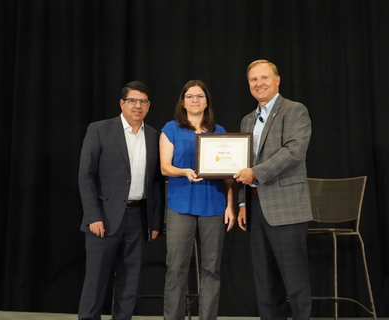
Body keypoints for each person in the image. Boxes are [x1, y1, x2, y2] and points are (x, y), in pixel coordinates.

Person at [77, 81, 164, 320]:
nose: (138, 106)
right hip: (103, 217)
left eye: (143, 101)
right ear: (122, 103)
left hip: (138, 218)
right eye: (133, 100)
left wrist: (155, 222)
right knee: (95, 281)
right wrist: (93, 216)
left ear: (148, 106)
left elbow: (156, 183)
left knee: (130, 282)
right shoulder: (99, 129)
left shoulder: (155, 136)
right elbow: (86, 176)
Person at [234, 60, 313, 320]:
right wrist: (243, 204)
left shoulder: (294, 110)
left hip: (286, 206)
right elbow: (243, 163)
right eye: (254, 80)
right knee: (265, 281)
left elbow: (293, 152)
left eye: (264, 78)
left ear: (277, 80)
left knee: (294, 279)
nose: (260, 84)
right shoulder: (247, 120)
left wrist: (256, 172)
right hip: (256, 207)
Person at [160, 80, 236, 320]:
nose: (195, 100)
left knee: (211, 269)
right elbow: (164, 167)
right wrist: (183, 172)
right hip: (180, 206)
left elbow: (229, 176)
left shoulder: (219, 131)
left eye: (200, 96)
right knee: (176, 269)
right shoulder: (170, 129)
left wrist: (231, 206)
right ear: (182, 102)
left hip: (213, 206)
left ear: (207, 102)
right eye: (190, 96)